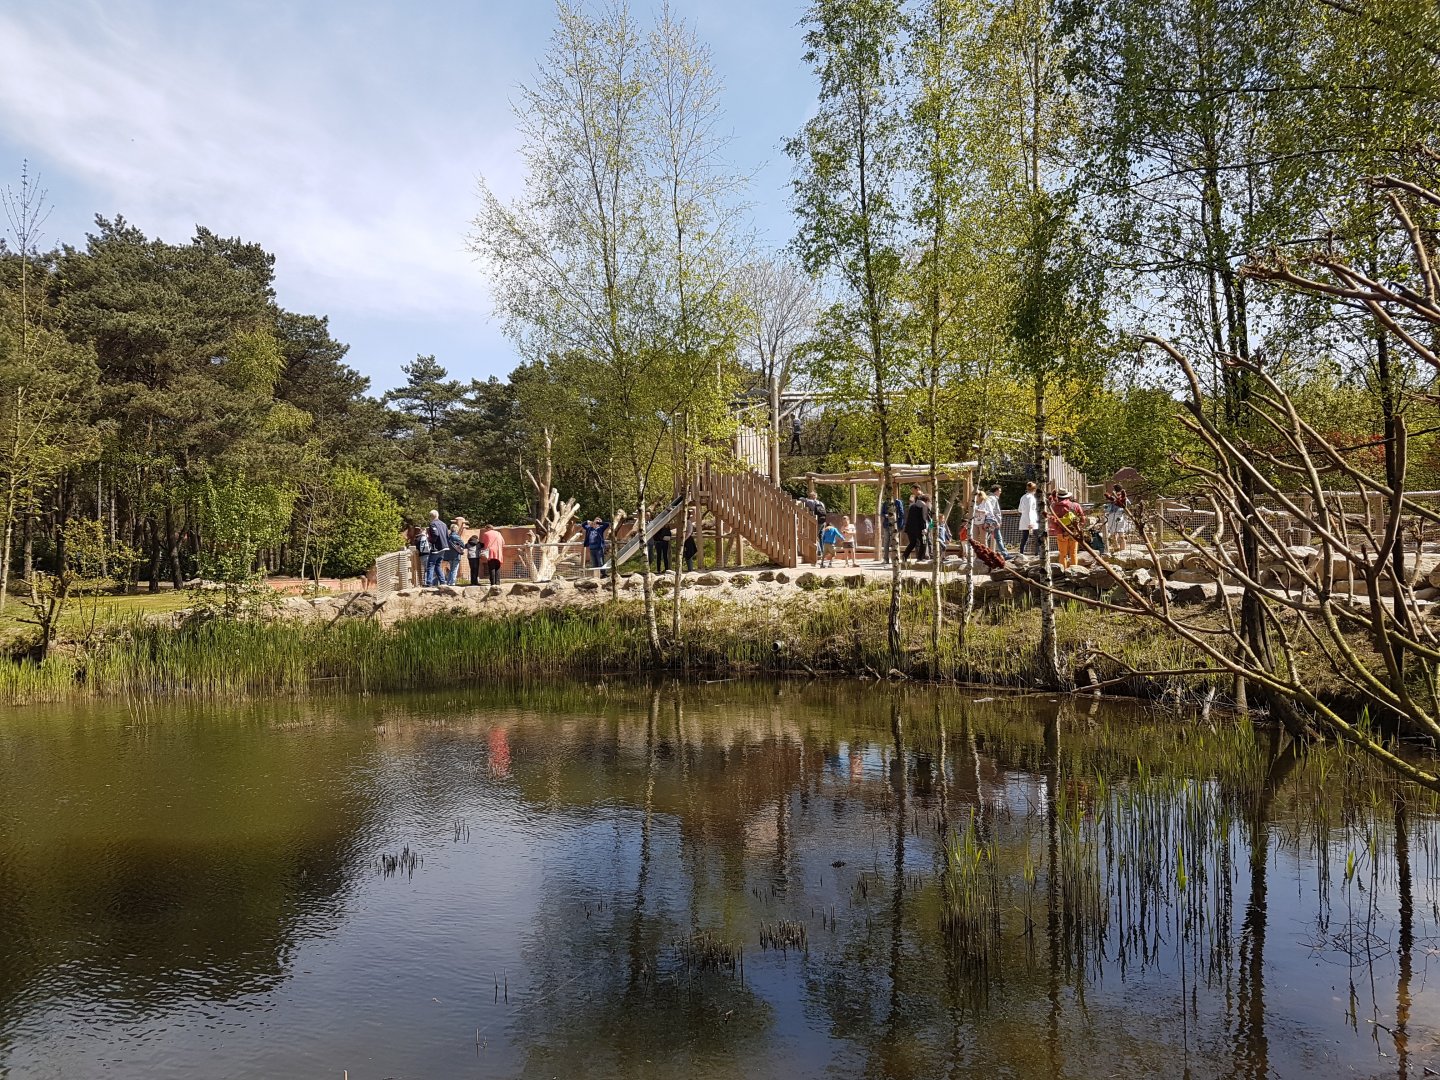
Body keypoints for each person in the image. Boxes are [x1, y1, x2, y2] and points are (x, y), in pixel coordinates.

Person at [1048, 487, 1086, 569]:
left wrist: (1056, 529)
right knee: (1073, 553)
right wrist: (1080, 527)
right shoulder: (1075, 505)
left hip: (1061, 532)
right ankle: (1074, 571)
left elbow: (1052, 521)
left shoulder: (1053, 506)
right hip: (1074, 532)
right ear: (1068, 496)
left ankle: (1063, 572)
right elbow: (1082, 518)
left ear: (1058, 496)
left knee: (1063, 554)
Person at [422, 510, 447, 587]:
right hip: (444, 547)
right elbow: (446, 535)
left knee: (430, 564)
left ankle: (429, 582)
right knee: (437, 565)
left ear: (431, 516)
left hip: (436, 548)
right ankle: (442, 581)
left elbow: (435, 534)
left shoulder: (433, 524)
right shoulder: (444, 524)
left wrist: (430, 540)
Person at [903, 492, 928, 563]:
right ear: (925, 500)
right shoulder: (923, 506)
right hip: (919, 529)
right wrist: (924, 528)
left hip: (909, 528)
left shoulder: (912, 506)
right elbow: (923, 518)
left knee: (912, 543)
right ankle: (920, 558)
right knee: (923, 542)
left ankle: (904, 557)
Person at [1017, 481, 1041, 558]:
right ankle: (1037, 553)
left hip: (1024, 518)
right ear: (1034, 489)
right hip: (1031, 519)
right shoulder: (1031, 498)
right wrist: (1031, 522)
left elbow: (1019, 509)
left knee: (1025, 537)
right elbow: (1030, 510)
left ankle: (1021, 552)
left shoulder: (1023, 497)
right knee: (1037, 536)